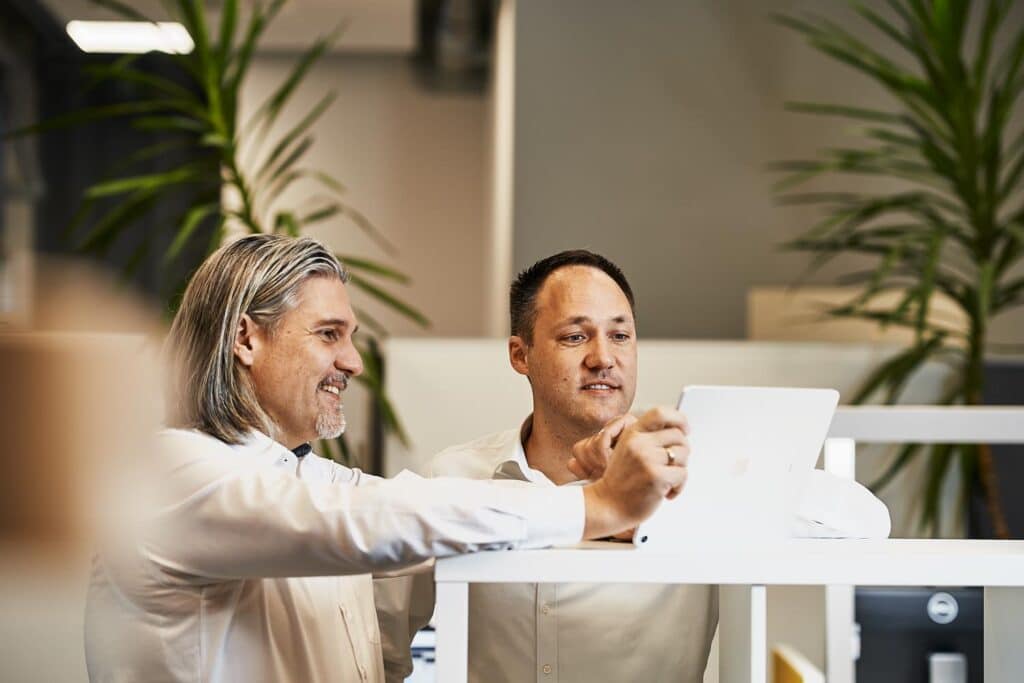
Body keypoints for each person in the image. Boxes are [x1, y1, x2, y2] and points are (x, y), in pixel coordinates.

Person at [83, 235, 691, 683]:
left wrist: (588, 486)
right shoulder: (171, 473)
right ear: (246, 339)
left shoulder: (306, 478)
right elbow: (376, 520)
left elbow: (401, 543)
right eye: (329, 334)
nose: (353, 362)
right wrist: (593, 505)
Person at [428, 250, 717, 683]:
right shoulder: (454, 477)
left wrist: (649, 513)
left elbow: (852, 515)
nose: (603, 358)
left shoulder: (687, 478)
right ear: (520, 355)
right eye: (575, 337)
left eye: (620, 336)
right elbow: (387, 648)